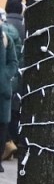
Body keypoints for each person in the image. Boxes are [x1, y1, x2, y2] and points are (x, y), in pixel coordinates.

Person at [0, 10, 18, 172]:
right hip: (4, 89)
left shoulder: (6, 38)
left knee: (2, 125)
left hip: (3, 91)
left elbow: (13, 61)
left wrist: (5, 76)